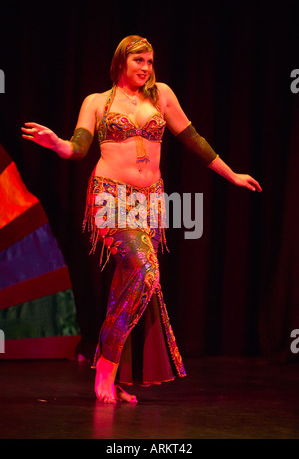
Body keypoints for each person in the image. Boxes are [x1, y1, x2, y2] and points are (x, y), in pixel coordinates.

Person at [22, 35, 262, 404]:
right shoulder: (98, 102)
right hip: (110, 196)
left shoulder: (161, 95)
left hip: (149, 202)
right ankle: (105, 366)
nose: (146, 68)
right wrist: (57, 143)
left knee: (131, 286)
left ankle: (112, 372)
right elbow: (78, 147)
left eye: (150, 62)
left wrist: (231, 174)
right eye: (139, 61)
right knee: (146, 272)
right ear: (122, 62)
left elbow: (192, 137)